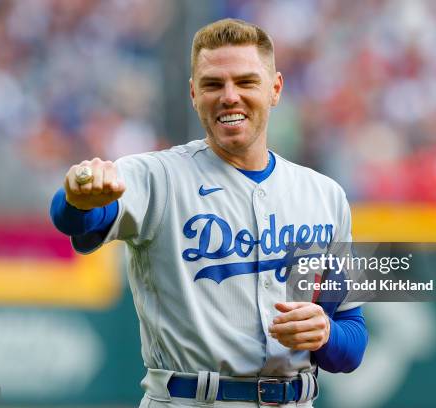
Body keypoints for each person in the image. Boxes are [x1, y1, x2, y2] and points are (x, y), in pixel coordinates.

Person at [50, 18, 367, 407]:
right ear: (193, 94)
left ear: (275, 89)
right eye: (213, 84)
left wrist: (326, 335)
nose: (229, 96)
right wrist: (79, 197)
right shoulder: (159, 176)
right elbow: (77, 217)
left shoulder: (325, 195)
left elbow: (352, 341)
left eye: (246, 82)